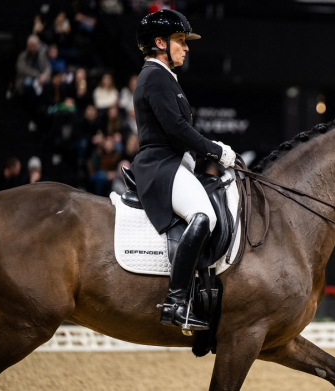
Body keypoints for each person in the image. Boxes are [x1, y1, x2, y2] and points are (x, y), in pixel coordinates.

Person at [132, 9, 235, 332]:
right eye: (180, 40)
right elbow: (175, 128)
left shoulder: (165, 77)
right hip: (160, 165)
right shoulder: (154, 75)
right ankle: (176, 302)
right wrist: (215, 150)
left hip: (173, 162)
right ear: (159, 42)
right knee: (205, 216)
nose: (186, 47)